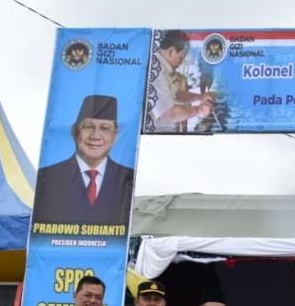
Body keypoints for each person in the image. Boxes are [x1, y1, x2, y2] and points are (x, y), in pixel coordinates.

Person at [32, 94, 134, 227]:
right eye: (88, 126)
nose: (95, 136)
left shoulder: (127, 178)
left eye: (105, 128)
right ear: (74, 131)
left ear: (115, 135)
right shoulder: (47, 177)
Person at [147, 30, 215, 133]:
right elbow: (168, 113)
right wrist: (199, 110)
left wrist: (200, 97)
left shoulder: (163, 69)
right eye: (181, 57)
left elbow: (176, 94)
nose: (181, 62)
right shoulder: (156, 72)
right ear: (171, 51)